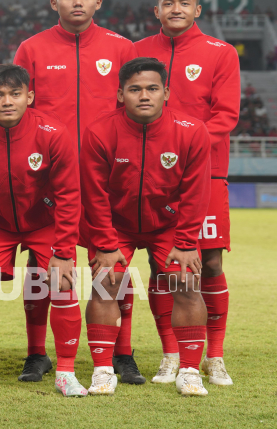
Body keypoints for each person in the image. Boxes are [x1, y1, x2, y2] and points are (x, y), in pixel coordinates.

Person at [13, 0, 142, 384]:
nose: (77, 2)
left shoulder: (122, 48)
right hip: (49, 177)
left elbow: (134, 110)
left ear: (97, 2)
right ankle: (37, 353)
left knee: (113, 265)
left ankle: (121, 352)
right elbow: (20, 111)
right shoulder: (31, 48)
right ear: (55, 3)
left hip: (108, 174)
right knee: (41, 267)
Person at [0, 64, 86, 397]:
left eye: (15, 94)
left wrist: (64, 253)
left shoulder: (53, 132)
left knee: (62, 284)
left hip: (45, 222)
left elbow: (70, 196)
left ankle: (66, 374)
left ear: (30, 96)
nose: (7, 102)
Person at [81, 57, 210, 397]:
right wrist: (106, 245)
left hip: (168, 225)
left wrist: (184, 243)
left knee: (184, 280)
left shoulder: (192, 130)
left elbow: (196, 193)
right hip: (116, 225)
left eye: (152, 88)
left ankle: (190, 371)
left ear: (166, 92)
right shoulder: (99, 131)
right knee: (105, 282)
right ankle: (102, 370)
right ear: (120, 93)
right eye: (135, 89)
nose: (144, 95)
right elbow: (94, 195)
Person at [135, 0, 240, 386]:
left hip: (205, 172)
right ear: (156, 10)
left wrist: (183, 148)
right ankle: (171, 353)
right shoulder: (137, 51)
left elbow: (226, 115)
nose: (175, 8)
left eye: (184, 3)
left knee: (209, 261)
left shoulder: (221, 52)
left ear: (198, 10)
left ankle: (214, 355)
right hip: (151, 175)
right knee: (162, 263)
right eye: (167, 3)